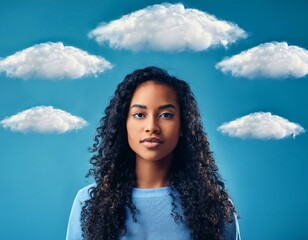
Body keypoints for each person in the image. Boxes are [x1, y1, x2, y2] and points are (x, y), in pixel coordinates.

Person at [66, 66, 241, 240]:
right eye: (139, 115)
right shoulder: (89, 203)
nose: (151, 127)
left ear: (183, 125)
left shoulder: (215, 208)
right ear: (123, 124)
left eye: (166, 115)